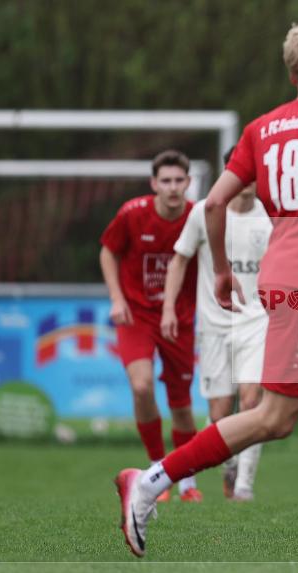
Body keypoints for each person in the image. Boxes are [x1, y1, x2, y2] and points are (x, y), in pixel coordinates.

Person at [115, 17, 298, 561]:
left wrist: (217, 271)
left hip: (295, 277)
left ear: (291, 72)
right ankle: (150, 480)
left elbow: (211, 202)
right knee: (272, 418)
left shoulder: (262, 127)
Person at [161, 147, 272, 502]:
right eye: (240, 172)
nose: (247, 181)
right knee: (220, 412)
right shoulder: (204, 213)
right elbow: (180, 261)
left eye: (253, 172)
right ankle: (228, 468)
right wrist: (168, 308)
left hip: (257, 320)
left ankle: (244, 488)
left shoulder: (271, 217)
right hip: (214, 325)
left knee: (253, 401)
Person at [99, 149, 202, 503]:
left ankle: (187, 482)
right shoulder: (132, 214)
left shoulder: (198, 217)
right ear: (154, 184)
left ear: (188, 183)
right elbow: (108, 251)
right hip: (137, 315)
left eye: (179, 181)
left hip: (180, 318)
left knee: (181, 404)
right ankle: (158, 469)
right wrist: (116, 298)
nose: (173, 188)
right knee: (141, 386)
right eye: (166, 181)